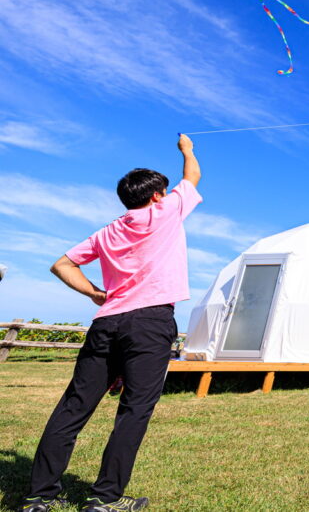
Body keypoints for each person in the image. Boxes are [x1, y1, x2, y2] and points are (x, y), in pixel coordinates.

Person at [20, 135, 202, 512]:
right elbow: (193, 177)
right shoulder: (165, 212)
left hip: (107, 321)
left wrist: (95, 293)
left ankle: (39, 496)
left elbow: (61, 265)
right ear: (157, 196)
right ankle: (104, 499)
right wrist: (187, 150)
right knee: (134, 410)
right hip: (150, 321)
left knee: (73, 407)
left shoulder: (107, 232)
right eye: (164, 192)